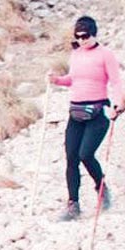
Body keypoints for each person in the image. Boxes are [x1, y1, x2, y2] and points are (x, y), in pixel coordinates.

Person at [49, 15, 122, 221]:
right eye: (78, 37)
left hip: (97, 113)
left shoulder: (105, 54)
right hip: (76, 113)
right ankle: (73, 205)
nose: (81, 40)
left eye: (85, 36)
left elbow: (116, 82)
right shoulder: (76, 54)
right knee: (71, 157)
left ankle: (101, 188)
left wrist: (119, 103)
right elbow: (72, 79)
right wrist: (56, 80)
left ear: (94, 33)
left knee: (85, 154)